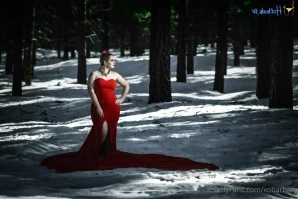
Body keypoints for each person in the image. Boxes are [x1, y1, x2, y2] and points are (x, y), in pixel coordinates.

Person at [41, 50, 219, 173]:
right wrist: (97, 106)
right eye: (112, 60)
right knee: (100, 131)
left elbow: (127, 86)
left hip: (113, 107)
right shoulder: (94, 75)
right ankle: (95, 155)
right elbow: (91, 91)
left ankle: (105, 155)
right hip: (99, 107)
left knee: (110, 132)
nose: (114, 62)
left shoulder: (115, 75)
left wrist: (121, 99)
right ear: (104, 61)